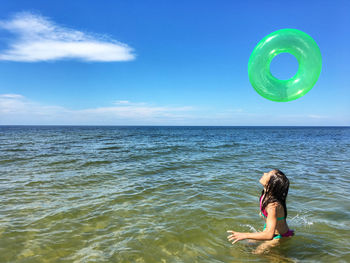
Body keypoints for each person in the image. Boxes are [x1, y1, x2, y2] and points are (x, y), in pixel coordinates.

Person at [227, 169, 294, 253]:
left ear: (270, 184)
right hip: (269, 230)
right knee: (246, 245)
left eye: (268, 174)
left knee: (257, 253)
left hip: (278, 236)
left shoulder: (272, 206)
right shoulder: (266, 194)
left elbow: (269, 235)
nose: (264, 173)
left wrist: (245, 235)